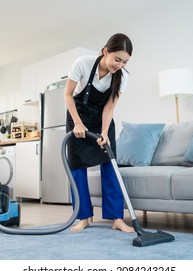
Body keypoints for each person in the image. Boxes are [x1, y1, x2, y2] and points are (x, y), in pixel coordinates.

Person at [64, 33, 134, 233]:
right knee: (77, 166)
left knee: (109, 164)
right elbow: (68, 95)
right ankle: (84, 216)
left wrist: (104, 132)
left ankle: (116, 218)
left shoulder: (123, 77)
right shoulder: (82, 64)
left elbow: (110, 107)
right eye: (117, 59)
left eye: (125, 61)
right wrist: (77, 123)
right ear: (106, 52)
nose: (120, 65)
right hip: (77, 115)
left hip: (102, 120)